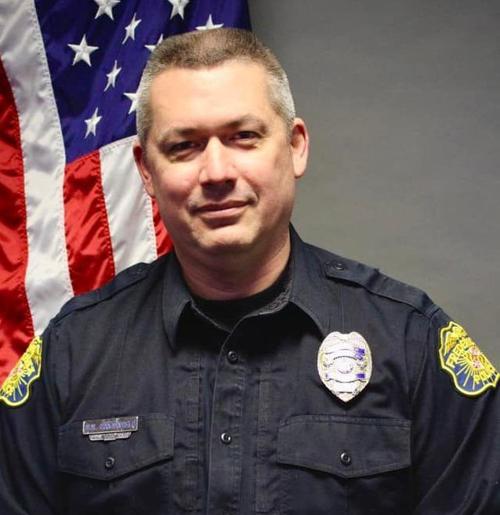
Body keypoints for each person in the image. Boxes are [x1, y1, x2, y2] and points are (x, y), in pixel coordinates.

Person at [0, 28, 498, 515]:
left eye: (243, 137)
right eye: (184, 146)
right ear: (146, 170)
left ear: (295, 146)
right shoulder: (73, 352)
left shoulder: (410, 343)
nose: (217, 172)